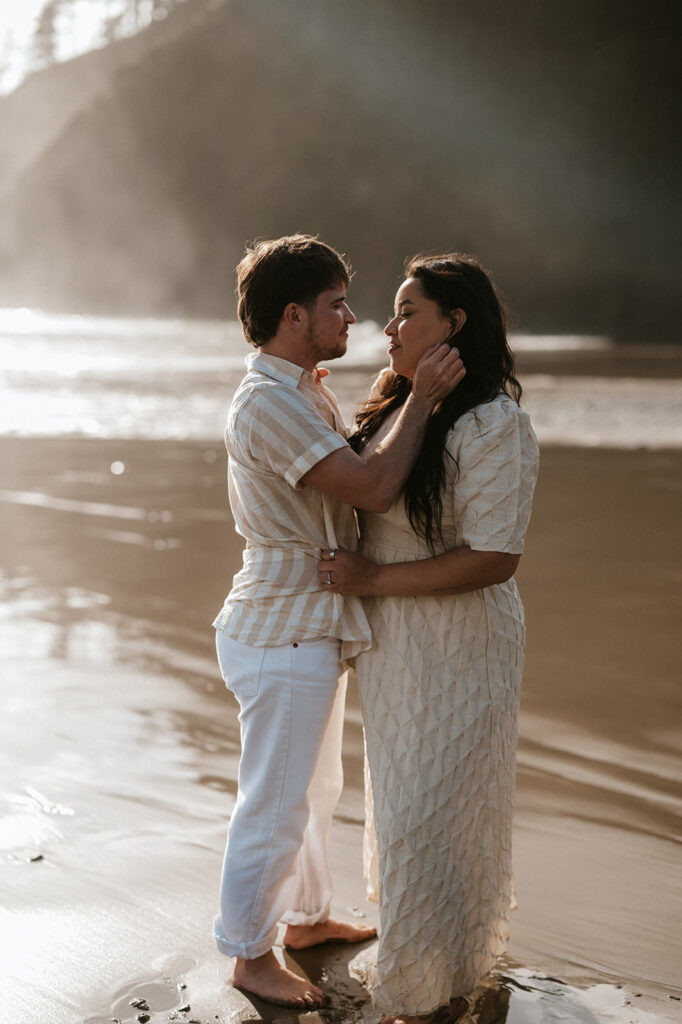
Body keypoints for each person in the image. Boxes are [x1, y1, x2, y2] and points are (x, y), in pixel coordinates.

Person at [212, 235, 465, 1010]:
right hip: (280, 624)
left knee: (314, 789)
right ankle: (249, 954)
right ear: (294, 315)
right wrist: (419, 397)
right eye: (337, 304)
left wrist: (400, 395)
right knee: (276, 799)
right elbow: (371, 488)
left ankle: (306, 919)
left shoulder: (300, 387)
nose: (352, 317)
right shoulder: (269, 401)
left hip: (303, 620)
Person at [317, 254, 540, 1023]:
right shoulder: (396, 410)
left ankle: (414, 995)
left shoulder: (494, 423)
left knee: (431, 817)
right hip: (394, 646)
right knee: (408, 810)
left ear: (455, 324)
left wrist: (370, 582)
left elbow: (494, 556)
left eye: (408, 312)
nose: (389, 326)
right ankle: (433, 971)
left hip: (464, 642)